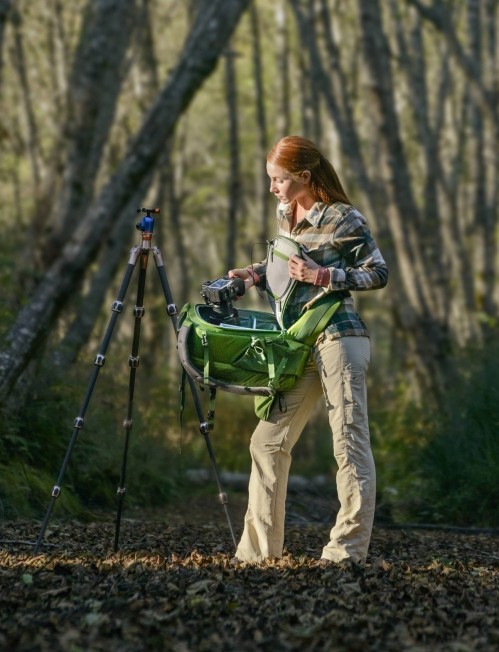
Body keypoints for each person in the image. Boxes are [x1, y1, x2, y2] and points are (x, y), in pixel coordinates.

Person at [227, 135, 388, 567]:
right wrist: (253, 274)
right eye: (270, 180)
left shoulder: (342, 217)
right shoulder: (286, 214)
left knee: (348, 442)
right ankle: (258, 554)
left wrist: (325, 276)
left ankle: (346, 552)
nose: (273, 188)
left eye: (278, 180)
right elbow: (287, 267)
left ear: (304, 176)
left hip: (339, 337)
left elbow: (378, 272)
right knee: (266, 441)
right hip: (297, 341)